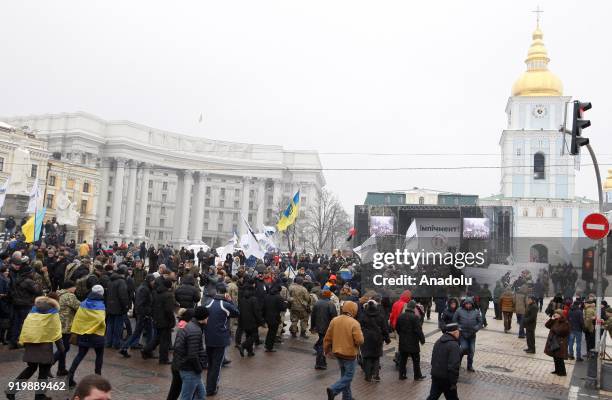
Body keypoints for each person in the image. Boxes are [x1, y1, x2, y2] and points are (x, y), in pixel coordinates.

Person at [6, 296, 64, 400]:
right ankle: (39, 396)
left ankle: (11, 391)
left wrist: (23, 342)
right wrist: (61, 348)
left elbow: (26, 327)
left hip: (31, 344)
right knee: (44, 371)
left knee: (31, 368)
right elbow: (56, 332)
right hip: (45, 346)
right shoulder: (53, 313)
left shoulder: (32, 311)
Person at [203, 282, 240, 396]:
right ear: (225, 293)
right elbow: (236, 312)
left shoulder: (208, 303)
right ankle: (211, 388)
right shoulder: (225, 304)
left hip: (208, 337)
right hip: (220, 339)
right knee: (216, 365)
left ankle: (209, 385)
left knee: (211, 363)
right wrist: (229, 300)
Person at [324, 301, 364, 400]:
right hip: (349, 354)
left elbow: (328, 337)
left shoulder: (335, 320)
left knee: (344, 377)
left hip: (337, 352)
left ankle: (347, 397)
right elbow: (359, 340)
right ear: (354, 310)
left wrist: (326, 349)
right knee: (348, 377)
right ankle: (333, 390)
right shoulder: (354, 323)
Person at [68, 285, 107, 387]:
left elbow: (78, 318)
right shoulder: (101, 305)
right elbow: (100, 320)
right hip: (97, 334)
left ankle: (70, 375)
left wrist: (78, 330)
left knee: (80, 355)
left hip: (83, 333)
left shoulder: (84, 303)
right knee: (99, 356)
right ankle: (98, 377)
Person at [173, 306, 209, 400]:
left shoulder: (188, 326)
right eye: (207, 316)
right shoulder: (196, 331)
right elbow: (192, 355)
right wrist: (199, 368)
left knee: (201, 394)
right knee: (187, 397)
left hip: (185, 367)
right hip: (190, 369)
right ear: (203, 318)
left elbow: (177, 347)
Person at [120, 274, 155, 357]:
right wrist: (144, 314)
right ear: (149, 281)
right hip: (144, 315)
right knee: (144, 333)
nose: (154, 283)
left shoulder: (145, 288)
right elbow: (140, 304)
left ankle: (125, 348)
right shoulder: (144, 289)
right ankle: (147, 351)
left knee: (144, 332)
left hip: (144, 314)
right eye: (153, 281)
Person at [142, 277, 175, 364]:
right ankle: (163, 359)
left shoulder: (156, 293)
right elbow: (169, 310)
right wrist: (172, 321)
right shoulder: (168, 295)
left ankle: (146, 350)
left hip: (157, 319)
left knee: (157, 338)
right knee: (164, 341)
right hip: (165, 321)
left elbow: (152, 306)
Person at [426, 323, 462, 400]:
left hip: (436, 376)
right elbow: (454, 366)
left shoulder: (438, 341)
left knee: (433, 397)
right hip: (447, 379)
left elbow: (433, 360)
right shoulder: (454, 345)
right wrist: (453, 382)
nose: (460, 333)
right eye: (459, 331)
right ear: (455, 332)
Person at [359, 299, 390, 382]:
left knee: (367, 357)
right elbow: (384, 328)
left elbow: (359, 327)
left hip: (366, 338)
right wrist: (387, 339)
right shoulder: (380, 316)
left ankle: (368, 376)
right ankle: (376, 375)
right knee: (376, 357)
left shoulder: (363, 316)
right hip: (377, 338)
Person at [55, 280, 81, 375]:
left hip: (57, 324)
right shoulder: (69, 296)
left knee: (62, 347)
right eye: (74, 287)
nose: (75, 289)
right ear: (70, 287)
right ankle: (49, 364)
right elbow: (79, 307)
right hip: (66, 325)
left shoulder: (57, 294)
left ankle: (61, 369)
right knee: (64, 348)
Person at [396, 299, 426, 381]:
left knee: (403, 360)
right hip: (413, 343)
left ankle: (401, 375)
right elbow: (418, 330)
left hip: (403, 342)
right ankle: (417, 375)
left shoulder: (401, 316)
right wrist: (422, 340)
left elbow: (397, 328)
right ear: (413, 308)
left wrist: (401, 335)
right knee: (416, 360)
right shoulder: (415, 318)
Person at [310, 286, 337, 370]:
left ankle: (320, 359)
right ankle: (320, 363)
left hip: (319, 327)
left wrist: (312, 327)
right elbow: (334, 317)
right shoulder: (331, 304)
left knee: (322, 342)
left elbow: (313, 316)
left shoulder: (317, 303)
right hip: (327, 327)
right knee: (323, 345)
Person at [452, 297, 482, 372]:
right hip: (462, 334)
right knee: (464, 348)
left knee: (472, 350)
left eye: (469, 304)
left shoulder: (476, 311)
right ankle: (458, 360)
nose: (468, 306)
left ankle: (470, 366)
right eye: (467, 304)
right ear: (464, 304)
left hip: (472, 334)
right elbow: (454, 320)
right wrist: (459, 327)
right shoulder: (459, 310)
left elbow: (480, 322)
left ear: (472, 304)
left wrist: (476, 328)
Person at [105, 266, 130, 349]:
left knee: (109, 325)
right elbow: (123, 296)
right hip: (118, 308)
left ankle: (109, 342)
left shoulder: (110, 281)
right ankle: (117, 343)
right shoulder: (121, 282)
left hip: (109, 307)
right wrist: (126, 306)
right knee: (118, 326)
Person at [262, 282, 288, 352]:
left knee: (270, 331)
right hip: (275, 317)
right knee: (273, 332)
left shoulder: (267, 296)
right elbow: (282, 308)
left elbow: (263, 307)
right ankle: (269, 347)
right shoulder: (279, 297)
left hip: (267, 317)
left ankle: (267, 344)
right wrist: (285, 304)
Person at [545, 309, 570, 376]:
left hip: (560, 343)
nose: (555, 314)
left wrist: (553, 328)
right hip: (554, 341)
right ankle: (557, 370)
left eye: (557, 313)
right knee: (555, 357)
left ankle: (562, 372)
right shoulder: (555, 320)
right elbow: (547, 325)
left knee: (559, 358)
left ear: (560, 315)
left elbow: (560, 331)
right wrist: (552, 319)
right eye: (555, 313)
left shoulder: (565, 322)